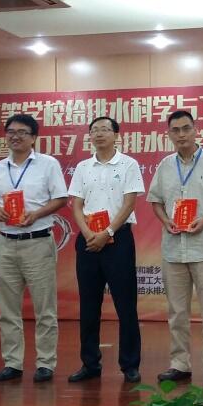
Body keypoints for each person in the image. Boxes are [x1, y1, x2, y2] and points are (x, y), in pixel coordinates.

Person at [148, 110, 203, 384]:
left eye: (186, 128)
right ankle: (180, 363)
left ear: (196, 130)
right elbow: (155, 201)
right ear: (168, 134)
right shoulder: (165, 165)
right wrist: (165, 221)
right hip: (173, 248)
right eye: (175, 130)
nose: (181, 135)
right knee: (177, 312)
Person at [0, 114, 68, 384]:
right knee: (7, 309)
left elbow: (61, 198)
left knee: (45, 308)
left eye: (22, 132)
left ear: (33, 138)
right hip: (5, 244)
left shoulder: (48, 164)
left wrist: (36, 214)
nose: (15, 136)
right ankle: (12, 363)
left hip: (37, 242)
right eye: (10, 132)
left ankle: (45, 363)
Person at [67, 116, 145, 383]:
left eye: (104, 129)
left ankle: (130, 364)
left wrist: (108, 232)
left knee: (126, 304)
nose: (99, 134)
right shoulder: (83, 167)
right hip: (88, 240)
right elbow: (77, 205)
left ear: (116, 135)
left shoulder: (128, 164)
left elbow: (129, 203)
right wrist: (88, 233)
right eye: (94, 130)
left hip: (118, 240)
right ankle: (90, 364)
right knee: (89, 305)